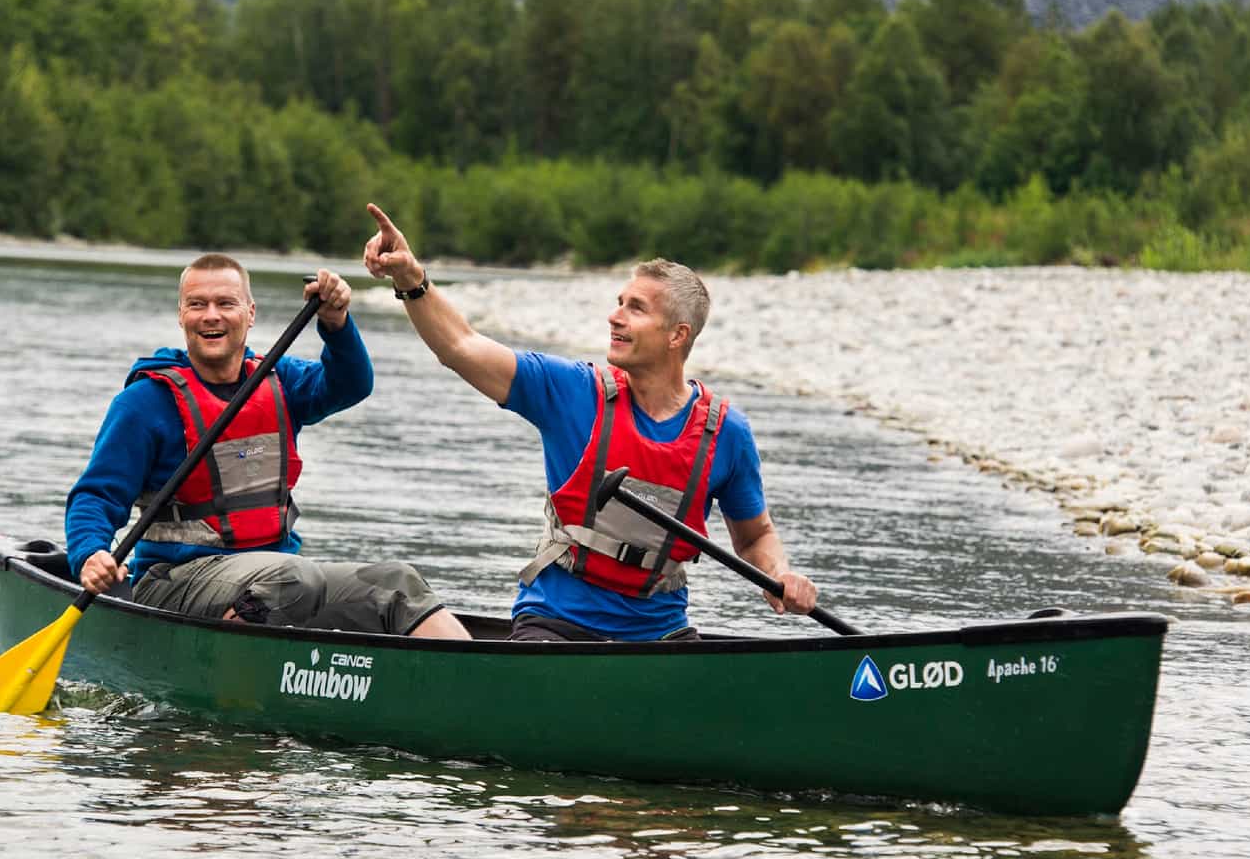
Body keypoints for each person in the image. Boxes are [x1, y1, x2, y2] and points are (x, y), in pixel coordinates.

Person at [360, 203, 818, 642]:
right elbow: (460, 345)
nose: (613, 316)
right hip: (555, 625)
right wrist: (410, 277)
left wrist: (779, 574)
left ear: (677, 335)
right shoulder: (573, 393)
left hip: (660, 634)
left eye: (636, 308)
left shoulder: (726, 434)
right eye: (619, 302)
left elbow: (756, 535)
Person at [66, 253, 470, 640]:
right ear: (181, 316)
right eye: (197, 304)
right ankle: (227, 675)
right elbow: (96, 497)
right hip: (175, 581)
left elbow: (351, 384)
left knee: (398, 582)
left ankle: (474, 683)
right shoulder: (144, 403)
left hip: (279, 578)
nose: (211, 315)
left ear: (250, 313)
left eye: (226, 303)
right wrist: (90, 555)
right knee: (293, 578)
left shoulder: (281, 381)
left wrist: (335, 321)